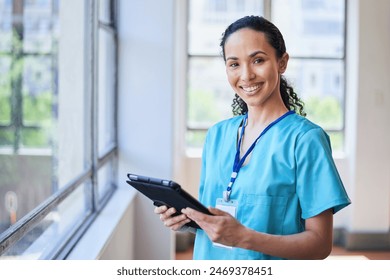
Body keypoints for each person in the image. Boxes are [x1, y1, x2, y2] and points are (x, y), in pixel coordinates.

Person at [155, 15, 351, 260]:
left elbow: (320, 245)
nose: (246, 75)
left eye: (258, 60)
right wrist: (190, 221)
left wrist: (244, 237)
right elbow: (223, 220)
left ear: (282, 62)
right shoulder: (217, 135)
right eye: (234, 64)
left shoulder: (305, 139)